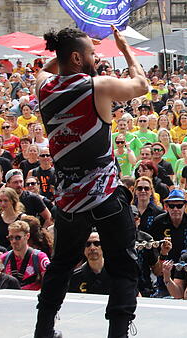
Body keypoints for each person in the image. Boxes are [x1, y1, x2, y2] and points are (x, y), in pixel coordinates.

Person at [34, 26, 147, 338]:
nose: (96, 58)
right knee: (123, 266)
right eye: (91, 54)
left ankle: (43, 329)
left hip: (69, 200)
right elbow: (141, 85)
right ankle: (118, 333)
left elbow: (47, 68)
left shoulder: (42, 87)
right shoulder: (97, 86)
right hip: (106, 196)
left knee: (61, 265)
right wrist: (125, 50)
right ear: (76, 58)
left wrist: (65, 51)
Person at [147, 189, 187, 261]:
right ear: (166, 207)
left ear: (185, 206)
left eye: (179, 206)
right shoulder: (158, 222)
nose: (175, 209)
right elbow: (152, 246)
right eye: (171, 206)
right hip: (164, 262)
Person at [2, 220, 50, 291]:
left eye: (18, 237)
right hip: (10, 296)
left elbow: (49, 282)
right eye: (10, 238)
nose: (13, 241)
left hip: (32, 296)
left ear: (27, 236)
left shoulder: (39, 257)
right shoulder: (4, 258)